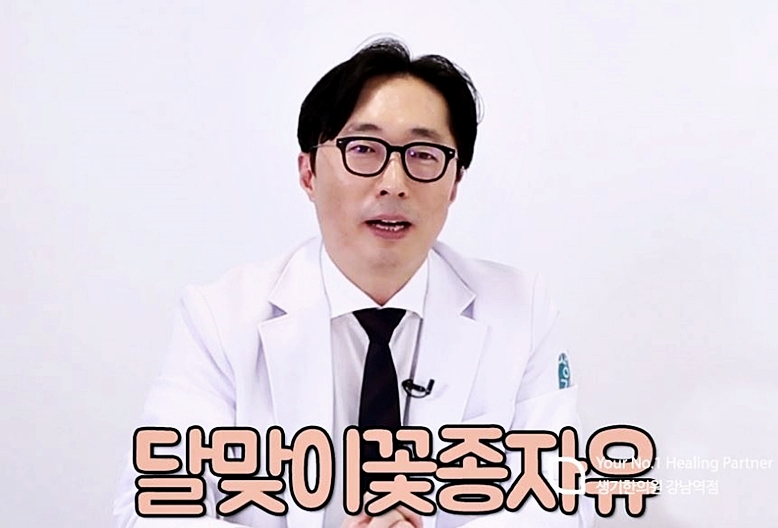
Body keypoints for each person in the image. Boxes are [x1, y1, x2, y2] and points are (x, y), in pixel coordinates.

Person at [113, 38, 594, 528]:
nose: (394, 183)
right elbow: (152, 506)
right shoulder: (219, 318)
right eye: (363, 149)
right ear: (308, 173)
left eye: (424, 154)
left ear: (454, 184)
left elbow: (562, 500)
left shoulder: (522, 310)